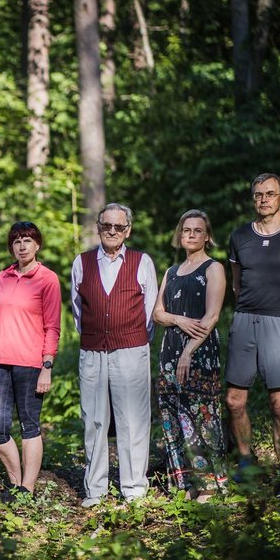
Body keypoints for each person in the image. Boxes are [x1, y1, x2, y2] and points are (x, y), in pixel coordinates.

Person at [225, 173, 280, 496]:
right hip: (245, 320)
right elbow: (237, 284)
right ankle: (247, 463)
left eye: (270, 193)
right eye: (258, 194)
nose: (263, 199)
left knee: (279, 404)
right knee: (234, 401)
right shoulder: (239, 237)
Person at [70, 203, 158, 507]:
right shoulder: (81, 263)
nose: (112, 231)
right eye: (106, 225)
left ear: (127, 230)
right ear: (98, 226)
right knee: (94, 419)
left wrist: (132, 340)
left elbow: (150, 311)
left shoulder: (141, 261)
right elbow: (78, 311)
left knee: (132, 419)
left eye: (118, 227)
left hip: (131, 350)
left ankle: (134, 489)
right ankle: (95, 490)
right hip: (93, 351)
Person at [151, 210, 228, 502]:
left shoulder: (213, 268)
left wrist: (188, 352)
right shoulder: (171, 271)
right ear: (179, 235)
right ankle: (185, 482)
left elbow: (212, 316)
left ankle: (210, 485)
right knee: (173, 418)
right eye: (186, 230)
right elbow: (157, 314)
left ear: (207, 236)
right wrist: (179, 321)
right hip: (169, 351)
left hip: (199, 352)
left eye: (197, 230)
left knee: (201, 419)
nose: (191, 235)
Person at [0, 221, 61, 502]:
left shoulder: (47, 279)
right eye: (16, 241)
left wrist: (47, 366)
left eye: (27, 240)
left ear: (37, 245)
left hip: (31, 364)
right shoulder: (3, 278)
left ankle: (27, 489)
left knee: (29, 425)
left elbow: (53, 327)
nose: (22, 245)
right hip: (1, 363)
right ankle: (15, 484)